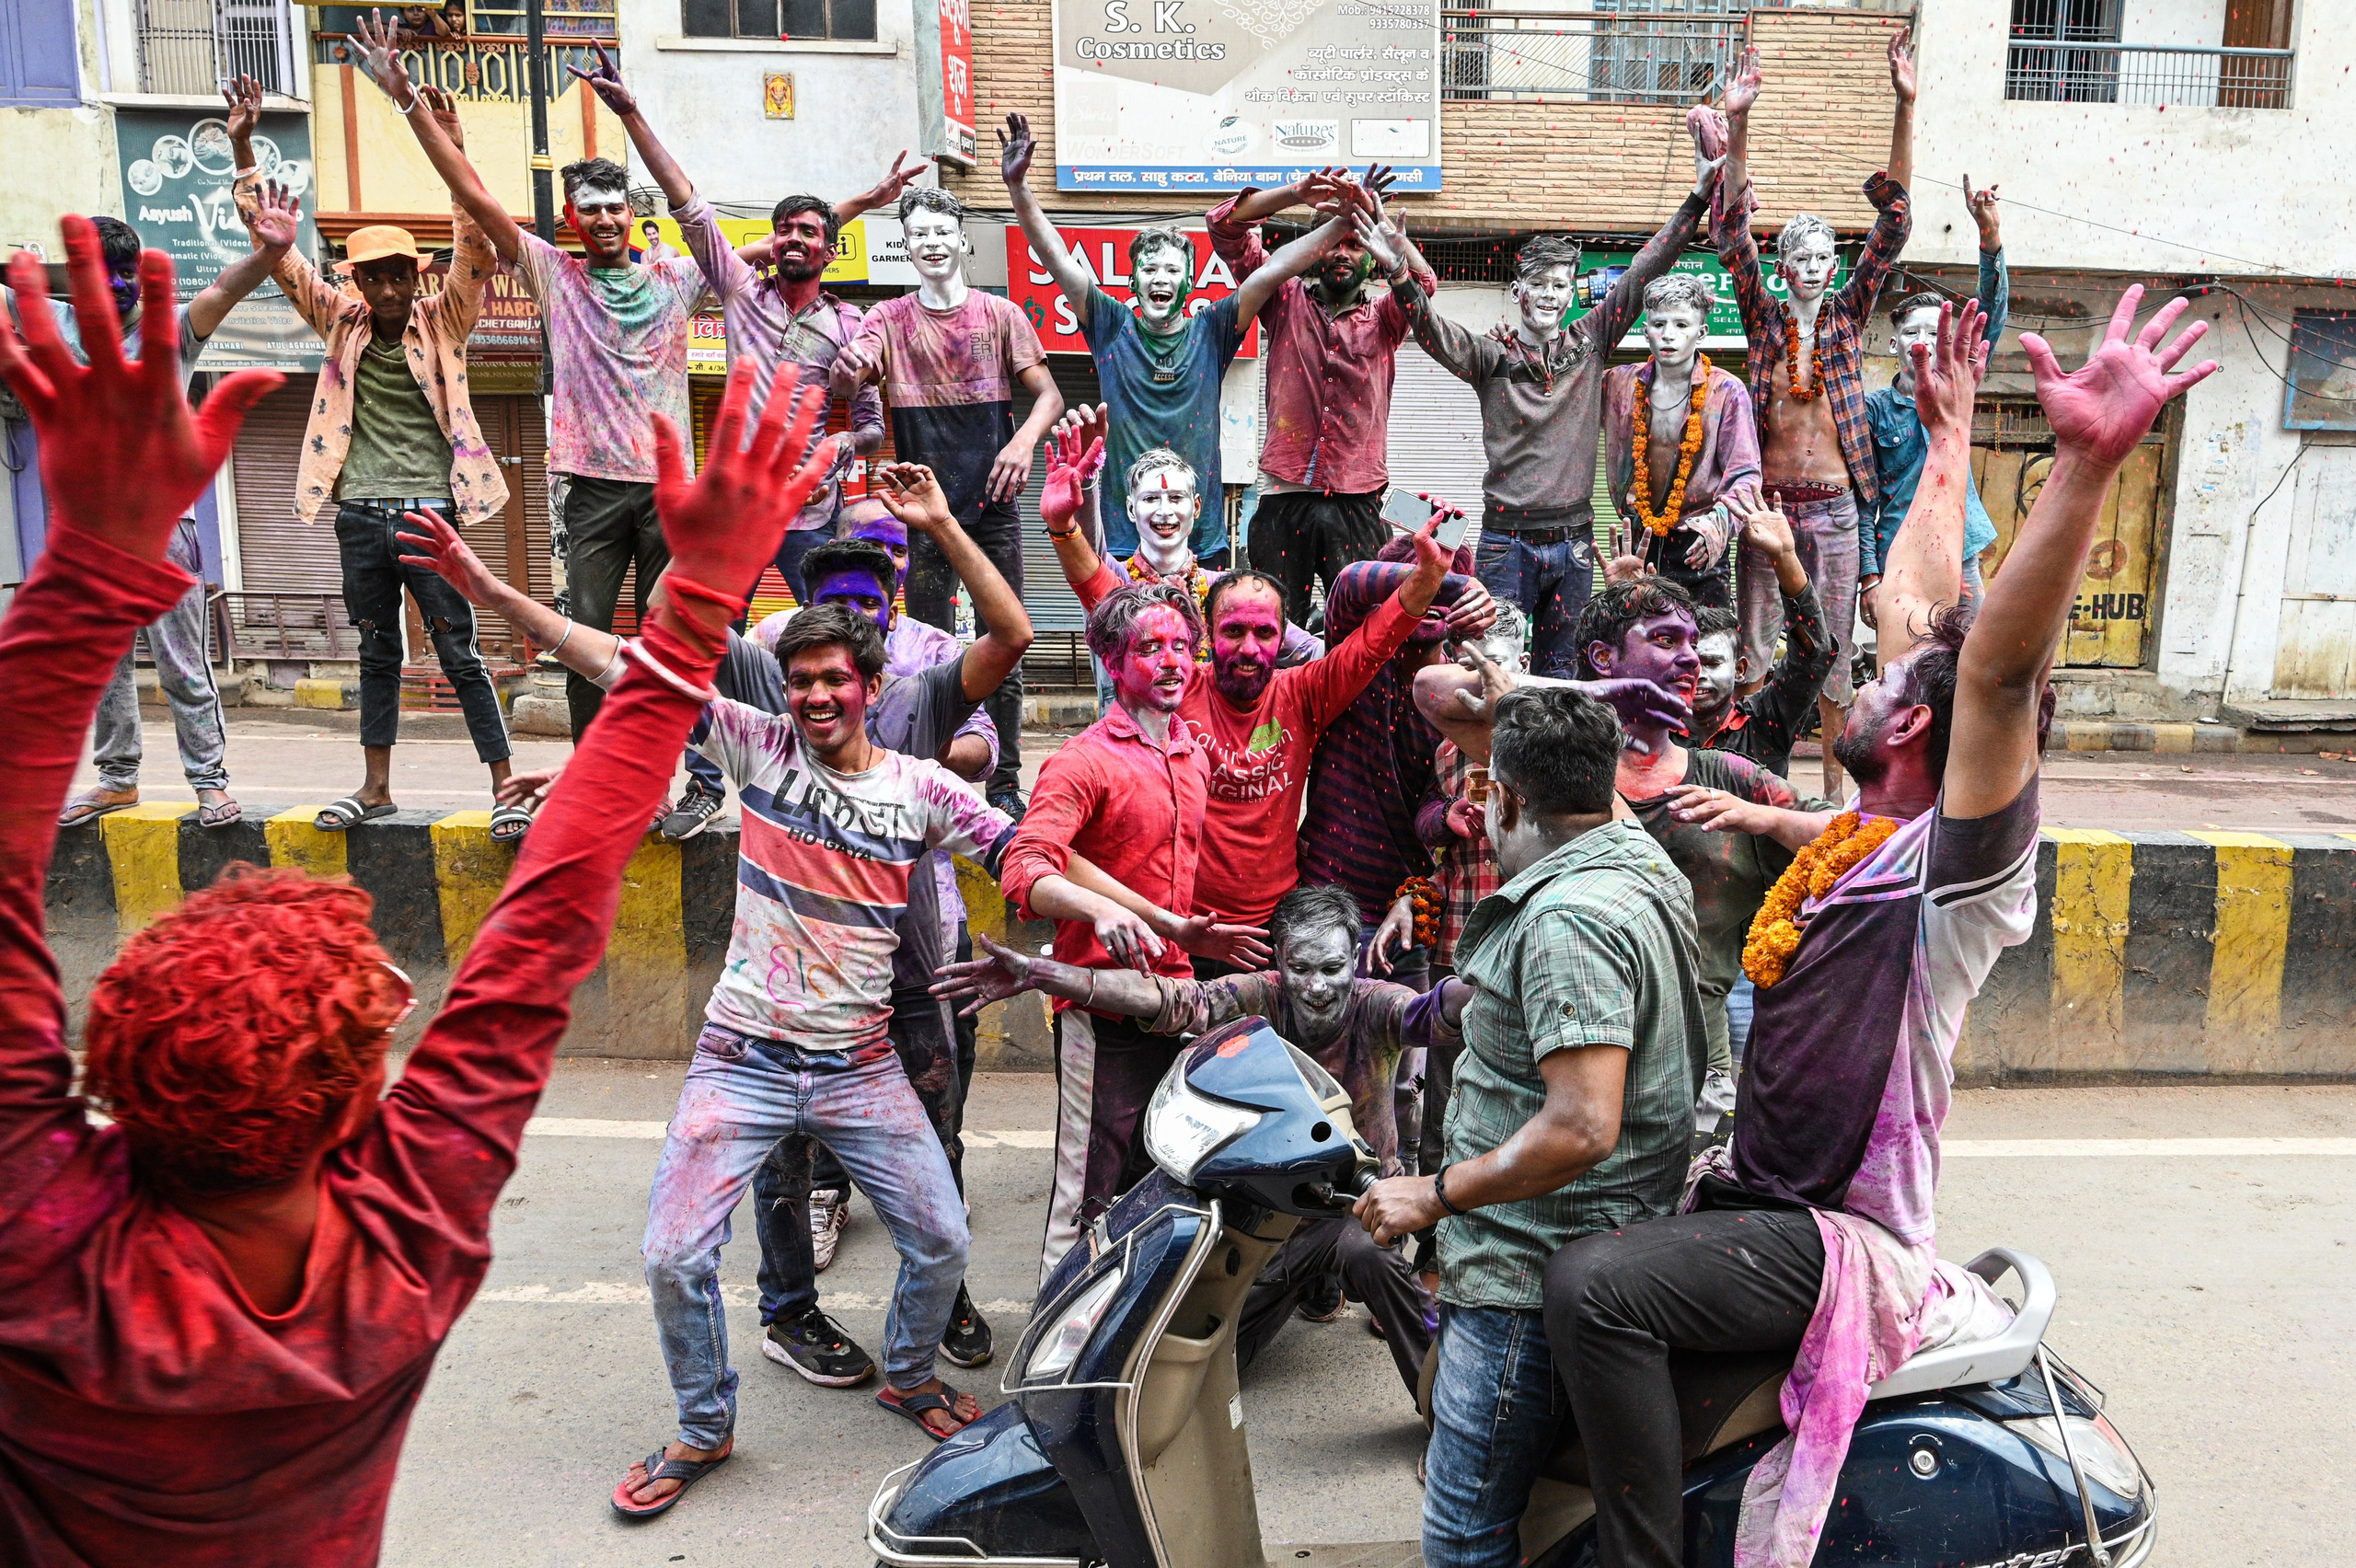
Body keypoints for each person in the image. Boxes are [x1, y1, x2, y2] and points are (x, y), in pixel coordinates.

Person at [0, 218, 837, 1561]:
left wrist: (88, 559)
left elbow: (537, 933)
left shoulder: (43, 1246)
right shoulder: (397, 1250)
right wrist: (694, 609)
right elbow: (551, 915)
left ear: (110, 1090)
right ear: (352, 1100)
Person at [1542, 293, 2213, 1568]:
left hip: (1840, 1241)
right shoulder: (1856, 840)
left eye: (1893, 678)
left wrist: (2080, 467)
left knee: (1596, 1290)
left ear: (1919, 726)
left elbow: (1993, 671)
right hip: (1760, 1196)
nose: (1868, 665)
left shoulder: (1951, 879)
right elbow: (1920, 601)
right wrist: (1947, 434)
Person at [1350, 684, 1708, 1568]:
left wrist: (1432, 1194)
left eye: (1487, 789)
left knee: (1465, 1533)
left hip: (1524, 1270)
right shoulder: (1635, 853)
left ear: (1506, 798)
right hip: (1597, 1241)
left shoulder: (1567, 920)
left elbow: (1582, 1126)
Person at [568, 49, 924, 840]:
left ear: (829, 250)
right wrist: (630, 113)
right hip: (731, 514)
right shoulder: (737, 290)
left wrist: (839, 448)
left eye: (809, 230)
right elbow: (687, 202)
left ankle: (833, 774)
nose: (794, 238)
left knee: (836, 642)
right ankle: (700, 781)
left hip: (810, 516)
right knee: (692, 639)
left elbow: (869, 422)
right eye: (783, 229)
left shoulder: (849, 328)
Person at [938, 882, 1468, 1397]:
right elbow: (1169, 1000)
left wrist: (1501, 963)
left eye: (1332, 968)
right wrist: (1046, 975)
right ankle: (1310, 1284)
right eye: (1300, 968)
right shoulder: (1260, 997)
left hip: (1357, 1206)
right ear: (1278, 961)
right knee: (1205, 1371)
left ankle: (1447, 1412)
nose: (1317, 987)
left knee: (1367, 1255)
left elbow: (1441, 1010)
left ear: (1355, 958)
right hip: (1274, 1218)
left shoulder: (1381, 1006)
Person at [353, 14, 711, 754]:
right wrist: (410, 105)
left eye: (617, 208)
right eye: (592, 210)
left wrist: (859, 207)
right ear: (573, 219)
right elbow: (472, 193)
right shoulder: (553, 274)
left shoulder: (679, 279)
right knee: (578, 640)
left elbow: (781, 236)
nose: (606, 220)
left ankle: (663, 772)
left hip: (670, 491)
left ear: (631, 216)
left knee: (666, 645)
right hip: (587, 489)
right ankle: (592, 769)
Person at [219, 72, 525, 838]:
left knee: (460, 650)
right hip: (358, 516)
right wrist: (244, 144)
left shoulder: (444, 318)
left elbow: (477, 245)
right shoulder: (340, 322)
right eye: (374, 276)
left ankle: (506, 790)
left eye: (398, 274)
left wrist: (454, 150)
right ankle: (377, 787)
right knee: (377, 652)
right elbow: (277, 250)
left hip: (430, 513)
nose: (388, 289)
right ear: (355, 280)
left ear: (413, 276)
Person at [1039, 425, 1470, 951]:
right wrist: (1063, 526)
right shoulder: (1178, 690)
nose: (1248, 647)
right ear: (1207, 637)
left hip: (1274, 931)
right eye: (1233, 631)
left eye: (1264, 632)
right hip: (1184, 932)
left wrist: (1430, 575)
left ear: (1283, 636)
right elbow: (1104, 593)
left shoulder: (1305, 693)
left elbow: (1377, 640)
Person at [1355, 147, 1717, 675]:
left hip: (1573, 546)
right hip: (1507, 543)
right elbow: (1430, 330)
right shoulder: (1490, 355)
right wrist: (1396, 271)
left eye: (1561, 285)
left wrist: (1699, 196)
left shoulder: (1591, 341)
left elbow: (1645, 270)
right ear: (1517, 290)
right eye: (1540, 285)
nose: (1551, 296)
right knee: (1496, 668)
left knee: (1562, 675)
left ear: (1573, 291)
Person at [34, 133, 294, 833]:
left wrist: (270, 254)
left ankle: (209, 782)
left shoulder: (169, 330)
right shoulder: (54, 324)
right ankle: (117, 780)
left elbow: (222, 289)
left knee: (183, 660)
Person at [998, 580, 1234, 1278]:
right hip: (1099, 1004)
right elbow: (1025, 868)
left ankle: (1123, 1328)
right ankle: (1054, 1346)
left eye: (1183, 647)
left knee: (1157, 1170)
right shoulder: (1083, 760)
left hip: (1176, 998)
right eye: (1150, 647)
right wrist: (1100, 910)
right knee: (1086, 1189)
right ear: (1111, 660)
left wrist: (1172, 927)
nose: (1171, 661)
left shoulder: (1191, 753)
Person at [1708, 27, 1915, 797]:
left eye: (1824, 257)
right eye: (1799, 255)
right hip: (1768, 514)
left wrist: (1904, 107)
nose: (1812, 267)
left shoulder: (1850, 318)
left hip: (1832, 511)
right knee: (1758, 652)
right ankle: (1755, 785)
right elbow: (1729, 233)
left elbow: (1893, 228)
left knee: (1829, 657)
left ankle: (1832, 798)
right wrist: (1741, 123)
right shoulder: (1763, 318)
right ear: (1785, 263)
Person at [1001, 110, 1346, 569]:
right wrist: (1018, 188)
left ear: (1188, 284)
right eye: (1149, 268)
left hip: (1200, 538)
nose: (1159, 278)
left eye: (1171, 270)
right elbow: (1055, 256)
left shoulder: (1213, 330)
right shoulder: (1110, 324)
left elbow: (1275, 270)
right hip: (1124, 536)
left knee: (1198, 641)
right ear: (1132, 281)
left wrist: (1344, 222)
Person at [833, 185, 1063, 818]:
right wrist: (849, 368)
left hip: (992, 509)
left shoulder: (1001, 315)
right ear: (905, 248)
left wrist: (1021, 444)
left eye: (941, 233)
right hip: (922, 512)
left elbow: (1049, 397)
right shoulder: (888, 320)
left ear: (959, 241)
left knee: (1005, 642)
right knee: (923, 648)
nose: (932, 244)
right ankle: (927, 769)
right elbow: (849, 375)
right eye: (919, 236)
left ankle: (1006, 779)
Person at [1575, 572, 1829, 1131]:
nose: (1691, 659)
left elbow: (1857, 833)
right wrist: (1596, 699)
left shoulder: (1726, 778)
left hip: (1692, 1070)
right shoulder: (1557, 766)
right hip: (1568, 1052)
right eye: (1666, 640)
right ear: (1602, 658)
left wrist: (1764, 817)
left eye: (1694, 643)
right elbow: (1437, 690)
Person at [1210, 167, 1439, 622]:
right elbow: (1225, 227)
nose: (1343, 252)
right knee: (1274, 627)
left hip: (1359, 501)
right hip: (1282, 497)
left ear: (1371, 258)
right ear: (1315, 252)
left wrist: (1379, 221)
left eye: (1355, 245)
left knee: (1359, 630)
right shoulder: (1282, 298)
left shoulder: (1387, 317)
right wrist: (1297, 194)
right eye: (1335, 242)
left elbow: (1424, 284)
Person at [1863, 177, 2012, 614]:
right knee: (1905, 665)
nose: (1923, 341)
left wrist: (1990, 238)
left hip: (1960, 550)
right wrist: (1869, 577)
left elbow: (1993, 310)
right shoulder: (1873, 410)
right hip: (1899, 556)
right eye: (1912, 332)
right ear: (1895, 345)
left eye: (1934, 331)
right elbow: (1862, 499)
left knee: (1965, 660)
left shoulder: (1959, 386)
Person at [1600, 272, 1761, 608]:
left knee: (1705, 648)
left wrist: (1716, 528)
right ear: (1646, 331)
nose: (1668, 335)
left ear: (1701, 333)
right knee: (1638, 646)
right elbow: (1564, 389)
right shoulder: (1619, 384)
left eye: (1681, 325)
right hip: (1636, 542)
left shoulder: (1726, 391)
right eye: (1659, 324)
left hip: (1696, 544)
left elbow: (1746, 476)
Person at [1679, 494, 1835, 780]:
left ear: (1740, 669)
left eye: (1711, 663)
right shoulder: (1653, 724)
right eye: (1689, 664)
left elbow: (1814, 655)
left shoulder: (1766, 721)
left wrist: (1785, 557)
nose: (1698, 675)